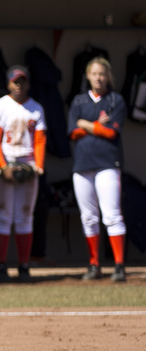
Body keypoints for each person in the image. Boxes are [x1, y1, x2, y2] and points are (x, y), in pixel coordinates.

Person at [68, 57, 127, 282]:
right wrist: (96, 126)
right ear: (88, 76)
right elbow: (72, 132)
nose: (99, 78)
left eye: (102, 74)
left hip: (107, 164)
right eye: (94, 74)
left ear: (108, 76)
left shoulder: (115, 100)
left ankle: (119, 265)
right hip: (82, 164)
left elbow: (111, 132)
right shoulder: (79, 101)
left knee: (112, 215)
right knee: (88, 217)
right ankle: (94, 264)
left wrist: (85, 124)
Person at [0, 66, 46, 283]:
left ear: (28, 83)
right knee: (3, 215)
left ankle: (24, 266)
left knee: (25, 217)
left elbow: (39, 140)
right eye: (15, 82)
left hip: (27, 163)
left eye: (22, 81)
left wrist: (38, 166)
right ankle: (1, 266)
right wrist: (3, 167)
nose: (19, 86)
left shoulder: (36, 108)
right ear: (8, 83)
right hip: (4, 164)